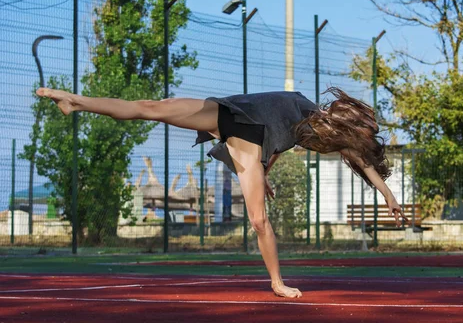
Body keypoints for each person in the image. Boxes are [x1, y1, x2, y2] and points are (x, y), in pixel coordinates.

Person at [35, 86, 407, 298]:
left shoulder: (325, 136)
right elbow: (274, 129)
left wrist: (387, 194)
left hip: (248, 142)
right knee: (149, 108)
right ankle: (75, 101)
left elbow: (355, 158)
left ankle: (276, 282)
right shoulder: (306, 107)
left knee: (259, 221)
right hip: (227, 112)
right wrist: (266, 171)